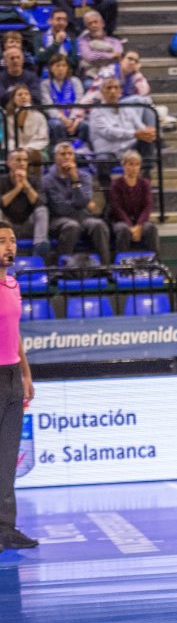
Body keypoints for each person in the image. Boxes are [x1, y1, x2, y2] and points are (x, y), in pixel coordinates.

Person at [0, 221, 37, 555]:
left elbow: (16, 334)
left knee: (7, 458)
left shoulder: (12, 284)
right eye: (1, 241)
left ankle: (6, 529)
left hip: (11, 376)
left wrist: (25, 373)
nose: (9, 247)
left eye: (12, 241)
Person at [44, 142, 110, 265]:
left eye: (70, 154)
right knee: (71, 226)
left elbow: (83, 202)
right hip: (58, 220)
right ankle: (61, 269)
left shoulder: (84, 176)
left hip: (83, 217)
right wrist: (80, 205)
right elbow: (60, 208)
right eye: (63, 154)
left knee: (98, 224)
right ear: (55, 157)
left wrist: (75, 181)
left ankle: (106, 268)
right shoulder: (47, 180)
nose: (67, 157)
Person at [88, 77, 157, 188]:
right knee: (102, 160)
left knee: (147, 139)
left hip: (129, 149)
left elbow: (140, 127)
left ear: (120, 91)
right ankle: (109, 199)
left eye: (116, 88)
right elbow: (109, 132)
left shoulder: (128, 109)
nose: (113, 91)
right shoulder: (96, 112)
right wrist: (134, 134)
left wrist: (148, 132)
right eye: (109, 88)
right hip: (109, 151)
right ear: (102, 92)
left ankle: (146, 179)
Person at [110, 150, 159, 257]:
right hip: (120, 221)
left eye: (137, 164)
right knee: (123, 230)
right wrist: (130, 226)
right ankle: (121, 266)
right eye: (130, 164)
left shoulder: (145, 183)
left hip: (140, 221)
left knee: (151, 228)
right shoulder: (116, 184)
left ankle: (155, 264)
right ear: (124, 165)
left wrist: (138, 225)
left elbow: (148, 206)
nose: (134, 168)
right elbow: (116, 207)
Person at [0, 149, 49, 258]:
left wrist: (26, 185)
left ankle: (40, 250)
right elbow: (1, 203)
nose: (22, 163)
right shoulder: (1, 181)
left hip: (28, 226)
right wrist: (17, 188)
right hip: (7, 226)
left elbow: (40, 203)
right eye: (18, 160)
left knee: (42, 210)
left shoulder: (35, 180)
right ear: (8, 163)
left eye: (25, 160)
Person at [76, 10, 122, 80]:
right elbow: (90, 57)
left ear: (102, 23)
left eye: (95, 22)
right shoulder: (83, 42)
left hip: (112, 75)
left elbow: (118, 55)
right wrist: (111, 55)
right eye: (90, 24)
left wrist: (96, 53)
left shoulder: (114, 41)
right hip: (92, 76)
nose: (93, 25)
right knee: (88, 84)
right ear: (87, 27)